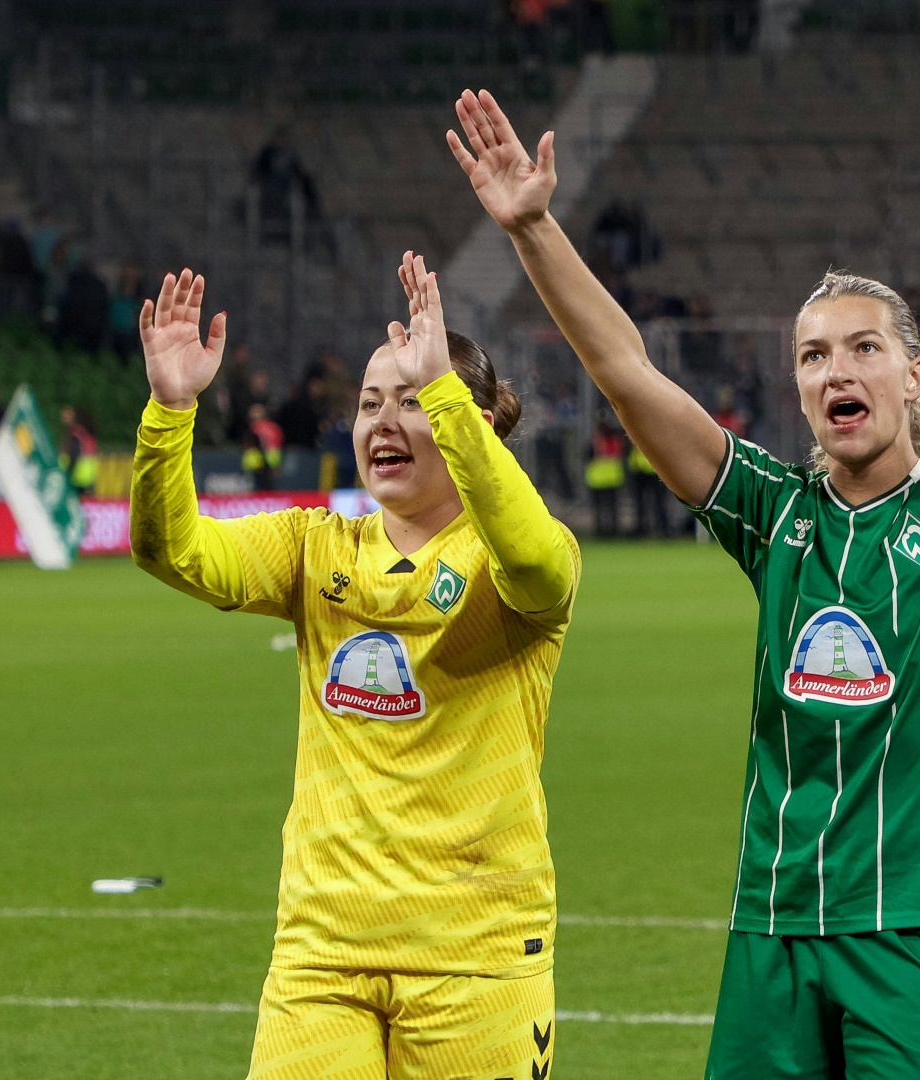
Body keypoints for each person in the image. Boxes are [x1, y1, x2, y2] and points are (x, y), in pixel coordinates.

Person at [449, 87, 920, 1080]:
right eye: (813, 354)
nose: (839, 368)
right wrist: (531, 228)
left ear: (910, 378)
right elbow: (627, 373)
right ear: (796, 389)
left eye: (864, 347)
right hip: (773, 928)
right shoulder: (772, 516)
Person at [130, 259, 577, 1080]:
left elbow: (537, 561)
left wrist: (441, 390)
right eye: (371, 403)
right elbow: (174, 552)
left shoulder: (511, 564)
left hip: (474, 956)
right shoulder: (313, 549)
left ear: (465, 419)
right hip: (321, 954)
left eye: (411, 401)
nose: (383, 421)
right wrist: (171, 411)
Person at [59, 406, 99, 497]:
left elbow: (73, 455)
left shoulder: (75, 434)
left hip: (77, 476)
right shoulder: (83, 432)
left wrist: (67, 472)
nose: (62, 418)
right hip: (87, 476)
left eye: (65, 415)